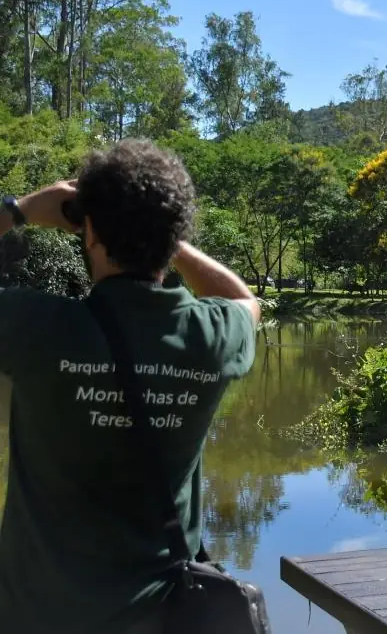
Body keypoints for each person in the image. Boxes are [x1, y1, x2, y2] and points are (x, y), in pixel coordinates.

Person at [0, 139, 260, 633]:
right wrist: (162, 234)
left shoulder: (35, 326)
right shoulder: (210, 336)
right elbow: (246, 301)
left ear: (88, 229)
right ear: (173, 233)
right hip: (160, 619)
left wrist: (20, 209)